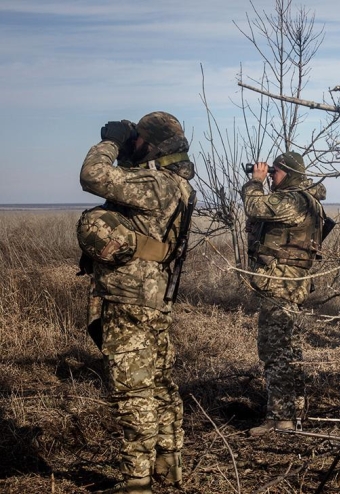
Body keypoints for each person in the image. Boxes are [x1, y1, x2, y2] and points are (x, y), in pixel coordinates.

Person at [77, 112, 195, 494]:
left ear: (154, 145)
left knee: (133, 392)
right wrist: (132, 153)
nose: (134, 143)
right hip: (153, 296)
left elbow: (93, 175)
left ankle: (136, 482)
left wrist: (111, 142)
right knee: (160, 383)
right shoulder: (173, 183)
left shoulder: (156, 183)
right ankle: (168, 465)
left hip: (130, 296)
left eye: (140, 139)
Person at [241, 152, 327, 436]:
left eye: (274, 172)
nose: (270, 176)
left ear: (288, 173)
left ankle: (279, 419)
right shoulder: (307, 201)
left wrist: (255, 181)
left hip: (281, 284)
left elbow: (254, 205)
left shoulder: (294, 199)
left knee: (275, 351)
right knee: (289, 350)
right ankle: (295, 410)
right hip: (290, 284)